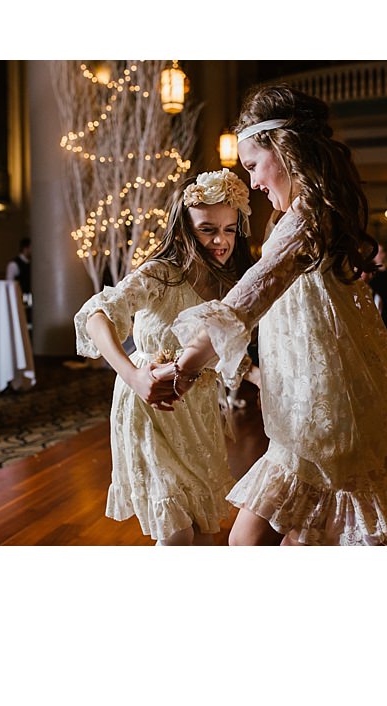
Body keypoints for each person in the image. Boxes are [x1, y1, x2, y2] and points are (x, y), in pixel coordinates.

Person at [164, 84, 387, 546]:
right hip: (307, 408)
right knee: (289, 538)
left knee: (255, 541)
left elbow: (247, 299)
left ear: (285, 152)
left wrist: (184, 368)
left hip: (322, 417)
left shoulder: (305, 219)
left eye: (253, 167)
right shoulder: (303, 215)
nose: (255, 183)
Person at [72, 168, 255, 546]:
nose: (221, 240)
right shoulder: (160, 274)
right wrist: (133, 376)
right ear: (186, 228)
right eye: (207, 229)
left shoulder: (231, 285)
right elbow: (97, 316)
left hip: (200, 408)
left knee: (204, 528)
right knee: (176, 531)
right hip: (150, 405)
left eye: (229, 229)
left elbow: (224, 352)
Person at [6, 238, 32, 330]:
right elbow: (10, 284)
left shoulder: (32, 263)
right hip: (21, 298)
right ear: (26, 248)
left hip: (31, 298)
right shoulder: (14, 264)